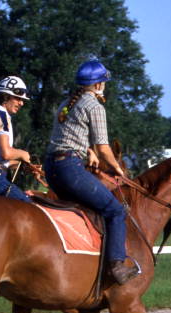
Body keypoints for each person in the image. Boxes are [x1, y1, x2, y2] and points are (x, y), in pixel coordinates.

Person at [43, 60, 139, 285]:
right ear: (97, 85)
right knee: (115, 210)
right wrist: (117, 168)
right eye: (104, 82)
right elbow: (104, 147)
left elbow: (68, 135)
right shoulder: (95, 106)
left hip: (52, 168)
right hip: (70, 168)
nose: (105, 86)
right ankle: (116, 266)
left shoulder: (67, 103)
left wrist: (89, 152)